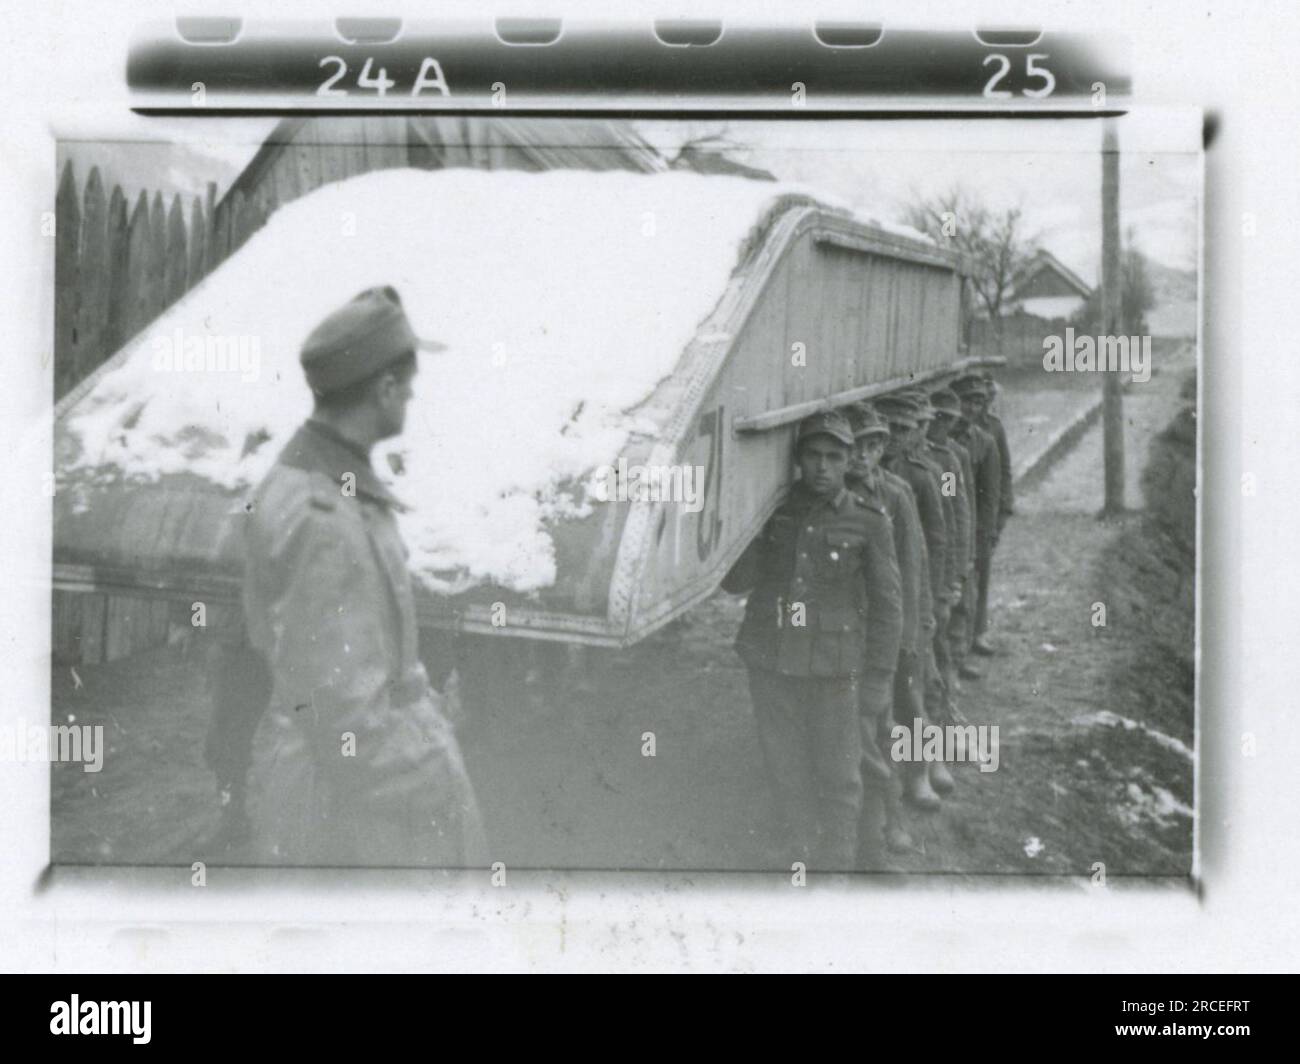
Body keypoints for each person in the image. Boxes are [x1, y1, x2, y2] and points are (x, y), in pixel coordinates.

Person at [222, 285, 486, 866]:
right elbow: (344, 722)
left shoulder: (318, 479)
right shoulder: (325, 522)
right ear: (384, 389)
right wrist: (435, 779)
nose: (413, 396)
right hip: (353, 820)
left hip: (341, 788)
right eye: (407, 385)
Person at [722, 410, 902, 871]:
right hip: (771, 658)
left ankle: (836, 875)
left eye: (834, 457)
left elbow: (888, 607)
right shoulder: (771, 512)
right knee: (785, 768)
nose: (822, 466)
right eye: (813, 455)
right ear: (798, 459)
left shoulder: (869, 520)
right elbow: (735, 583)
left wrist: (879, 678)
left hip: (833, 669)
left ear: (847, 463)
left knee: (841, 776)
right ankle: (799, 858)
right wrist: (752, 535)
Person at [845, 402, 928, 851]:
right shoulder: (831, 494)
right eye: (855, 447)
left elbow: (911, 570)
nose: (863, 455)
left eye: (873, 445)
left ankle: (891, 817)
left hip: (882, 629)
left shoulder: (894, 495)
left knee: (883, 724)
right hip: (842, 632)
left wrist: (908, 636)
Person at [949, 374, 1002, 665]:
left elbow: (990, 494)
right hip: (946, 523)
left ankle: (963, 652)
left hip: (972, 528)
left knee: (968, 591)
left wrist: (986, 531)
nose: (969, 409)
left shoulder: (984, 442)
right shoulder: (942, 440)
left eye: (977, 402)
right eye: (964, 401)